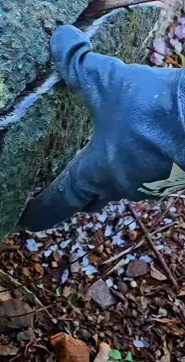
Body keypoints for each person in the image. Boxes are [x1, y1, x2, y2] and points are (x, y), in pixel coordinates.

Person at [20, 23, 185, 232]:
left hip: (152, 101)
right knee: (87, 188)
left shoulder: (132, 89)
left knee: (78, 187)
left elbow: (65, 40)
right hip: (166, 169)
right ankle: (26, 225)